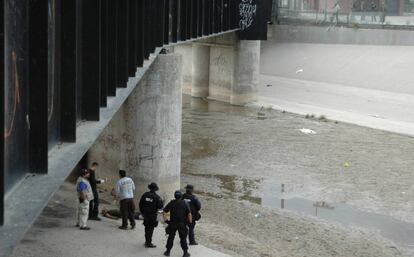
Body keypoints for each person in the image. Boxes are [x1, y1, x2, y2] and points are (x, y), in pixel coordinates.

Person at [163, 190, 192, 257]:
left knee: (170, 237)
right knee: (183, 238)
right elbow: (189, 214)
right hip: (182, 224)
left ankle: (167, 252)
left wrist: (166, 220)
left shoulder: (171, 203)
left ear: (174, 196)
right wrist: (190, 223)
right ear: (181, 196)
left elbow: (164, 211)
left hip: (172, 223)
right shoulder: (185, 203)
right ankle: (185, 253)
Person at [139, 182, 164, 248]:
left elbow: (140, 204)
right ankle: (148, 243)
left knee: (146, 228)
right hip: (152, 216)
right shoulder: (157, 197)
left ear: (150, 188)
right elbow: (160, 206)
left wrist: (142, 212)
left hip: (146, 215)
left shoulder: (145, 195)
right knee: (150, 229)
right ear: (155, 189)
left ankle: (147, 241)